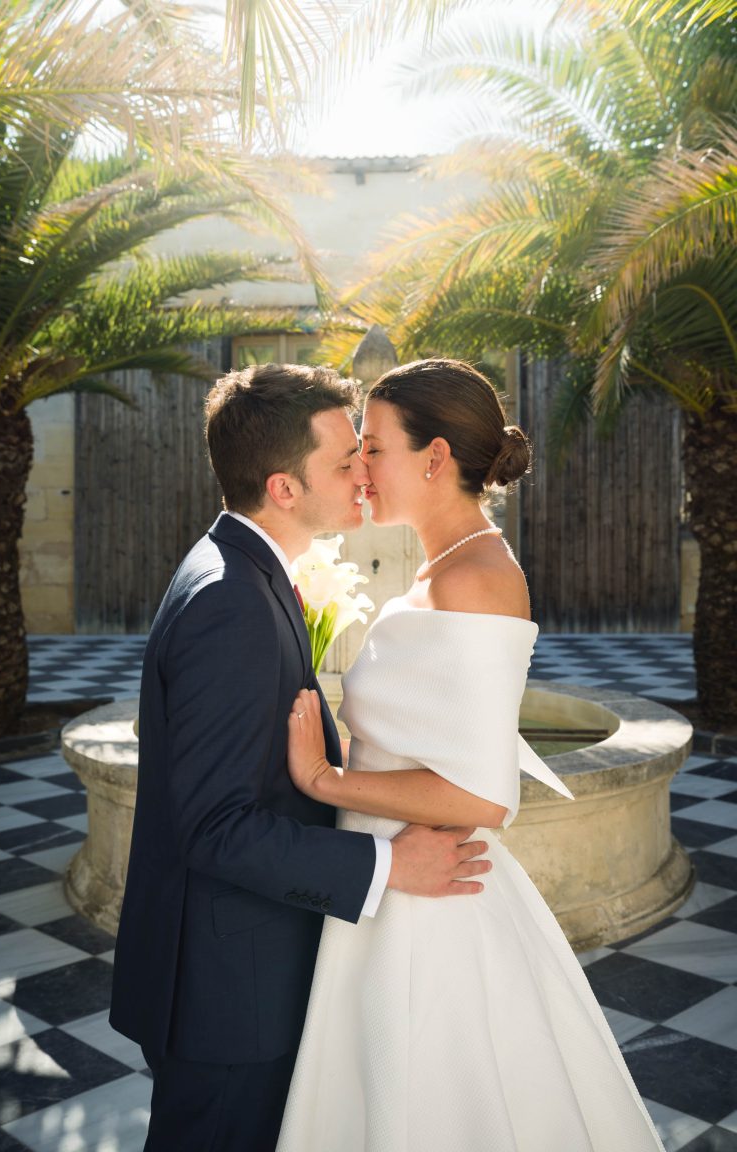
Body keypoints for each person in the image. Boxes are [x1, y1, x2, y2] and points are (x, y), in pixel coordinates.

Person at [277, 358, 665, 1152]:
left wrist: (325, 777)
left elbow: (485, 799)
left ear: (436, 456)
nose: (359, 467)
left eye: (373, 447)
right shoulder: (437, 568)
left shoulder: (478, 580)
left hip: (431, 904)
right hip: (390, 883)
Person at [109, 362, 493, 1152]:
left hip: (237, 974)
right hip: (228, 999)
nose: (363, 474)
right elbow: (217, 829)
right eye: (344, 461)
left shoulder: (245, 572)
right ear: (284, 488)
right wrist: (388, 869)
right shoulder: (229, 602)